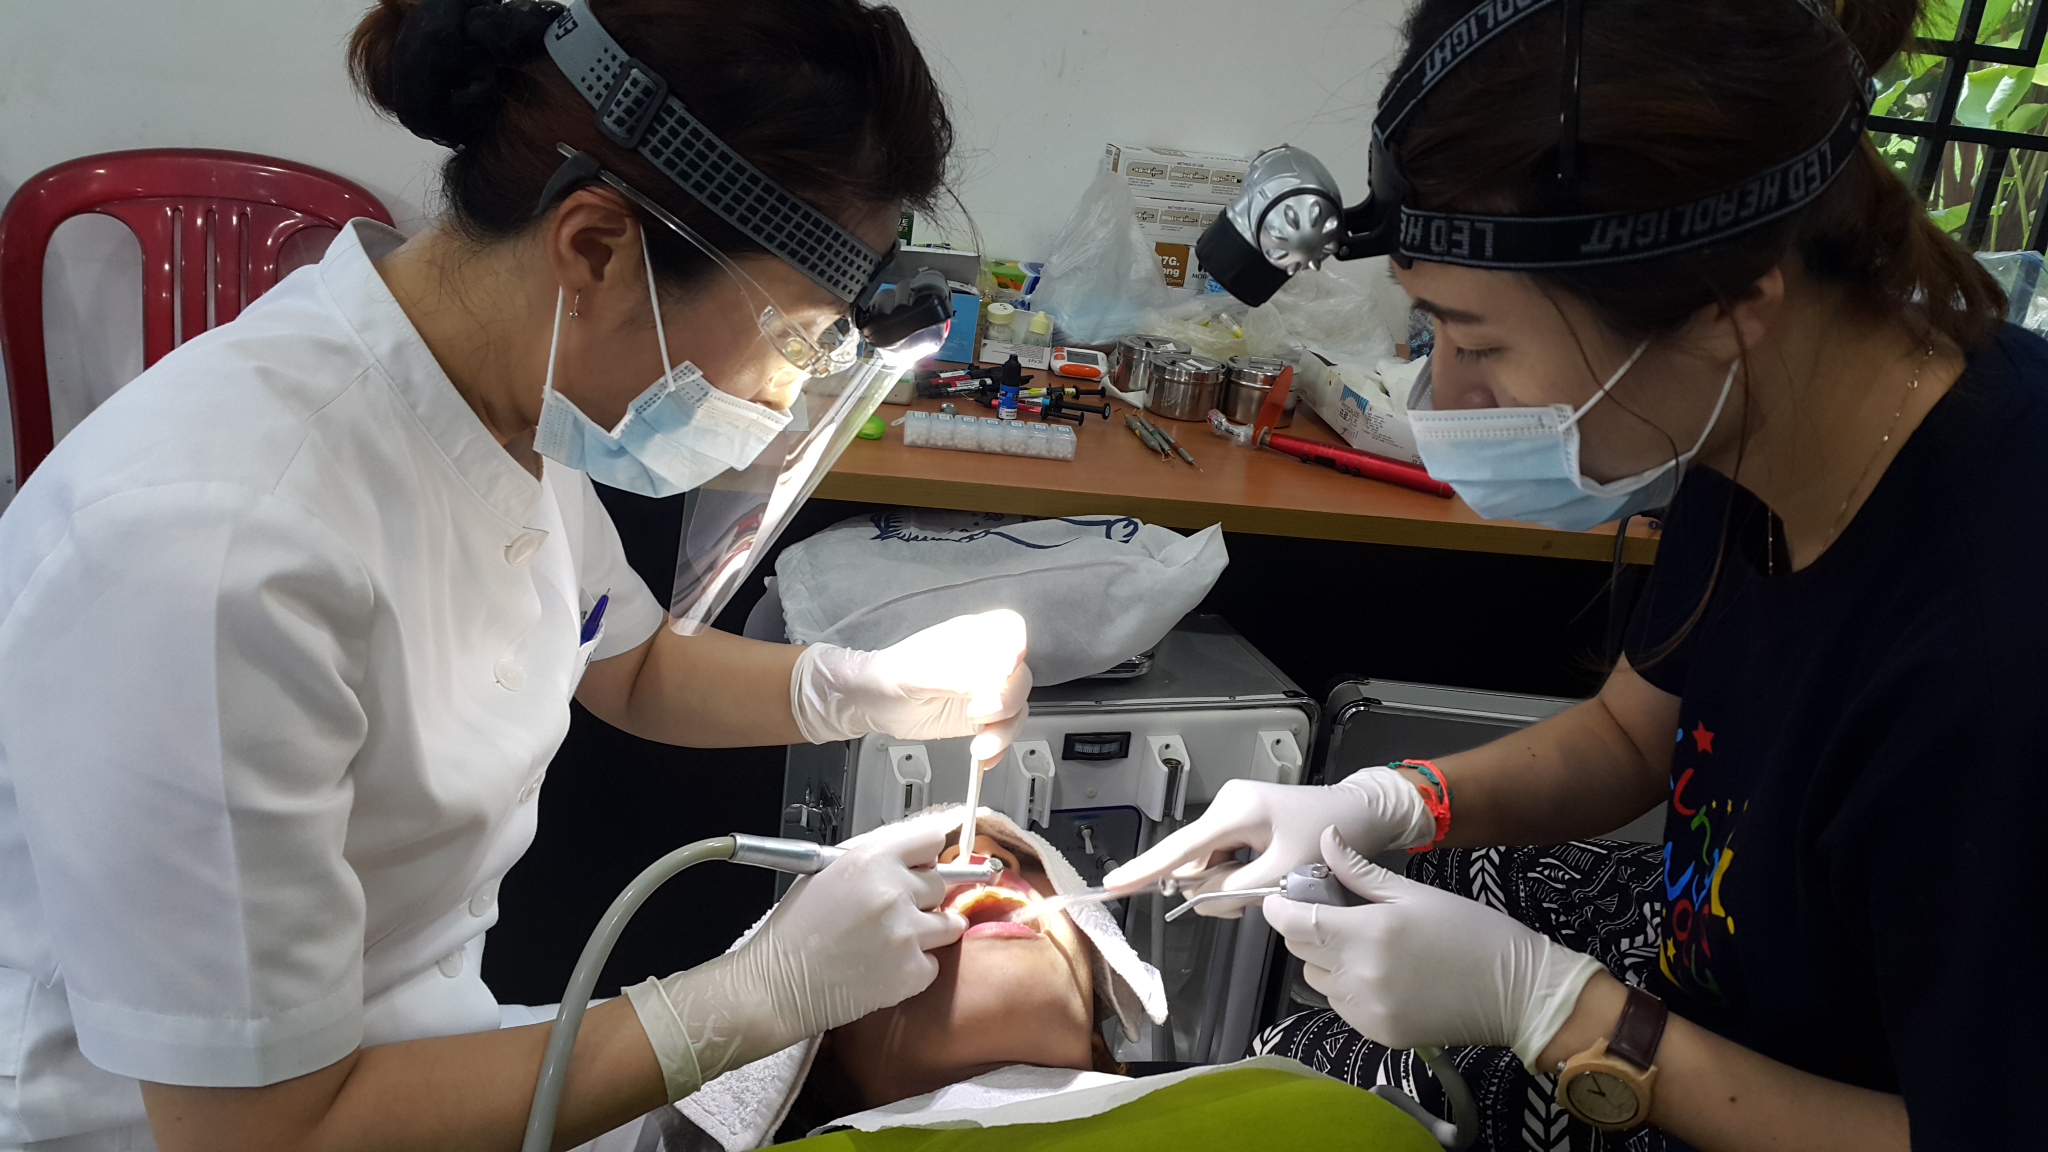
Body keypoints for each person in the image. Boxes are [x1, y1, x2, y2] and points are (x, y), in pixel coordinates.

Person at [0, 1, 1031, 1148]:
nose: (787, 399)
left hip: (421, 1059)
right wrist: (753, 1000)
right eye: (793, 338)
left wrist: (863, 687)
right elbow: (263, 1134)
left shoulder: (500, 406)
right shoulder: (214, 552)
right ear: (594, 248)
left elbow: (628, 666)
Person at [1108, 0, 2048, 1148]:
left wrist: (1555, 1014)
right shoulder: (1756, 415)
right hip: (1728, 961)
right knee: (1322, 1037)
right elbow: (1625, 737)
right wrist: (1386, 801)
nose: (1447, 402)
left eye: (1478, 343)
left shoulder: (1989, 658)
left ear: (1725, 306)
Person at [638, 812, 1437, 1151]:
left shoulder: (1323, 1100)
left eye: (1022, 862)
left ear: (1099, 1045)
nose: (987, 864)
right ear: (812, 1064)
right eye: (914, 885)